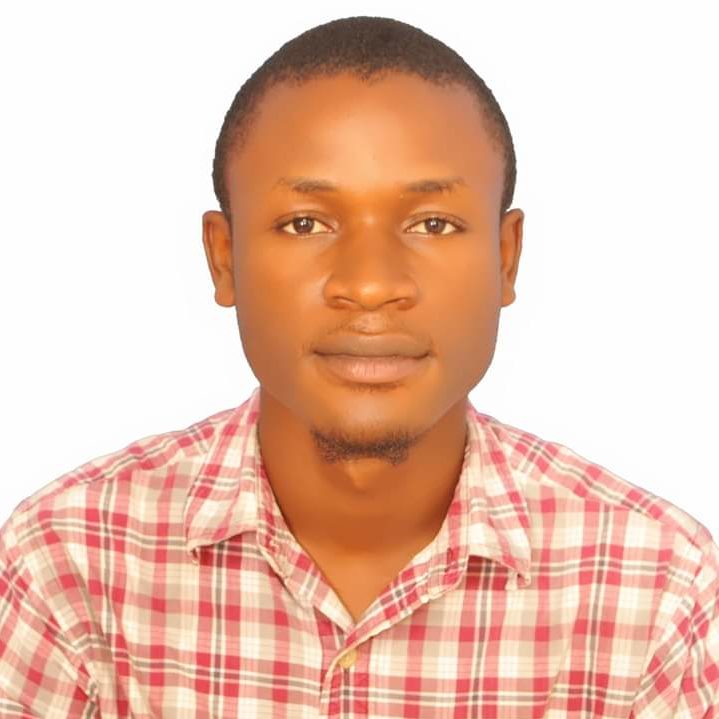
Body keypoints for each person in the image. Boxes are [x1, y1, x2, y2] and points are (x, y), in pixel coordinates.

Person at [1, 15, 716, 718]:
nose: (370, 285)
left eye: (432, 224)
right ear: (224, 259)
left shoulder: (659, 590)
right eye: (304, 223)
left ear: (505, 258)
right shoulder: (67, 563)